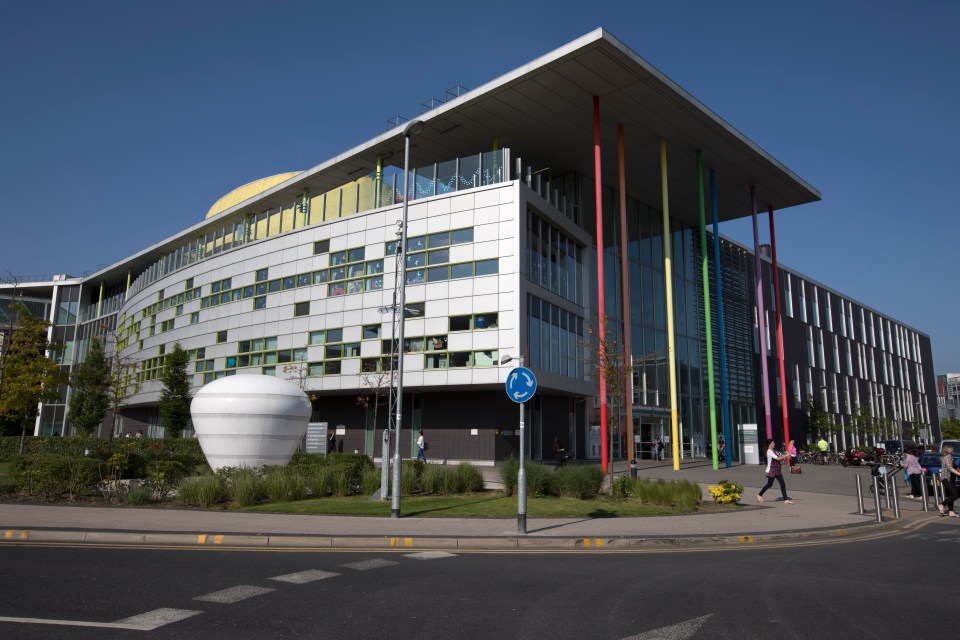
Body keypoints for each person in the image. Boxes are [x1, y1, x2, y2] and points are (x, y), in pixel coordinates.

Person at [758, 439, 794, 504]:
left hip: (777, 470)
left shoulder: (775, 451)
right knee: (769, 484)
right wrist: (785, 455)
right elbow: (778, 458)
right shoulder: (769, 451)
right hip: (772, 470)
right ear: (769, 444)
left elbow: (781, 456)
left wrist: (787, 456)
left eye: (774, 443)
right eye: (773, 443)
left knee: (782, 484)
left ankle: (786, 500)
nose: (774, 444)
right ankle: (759, 495)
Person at [936, 445, 959, 517]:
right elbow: (950, 468)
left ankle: (951, 511)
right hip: (947, 479)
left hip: (950, 479)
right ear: (949, 451)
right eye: (951, 450)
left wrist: (957, 470)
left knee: (951, 495)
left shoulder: (950, 458)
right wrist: (959, 473)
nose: (953, 451)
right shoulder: (947, 457)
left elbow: (954, 467)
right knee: (955, 495)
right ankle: (941, 505)